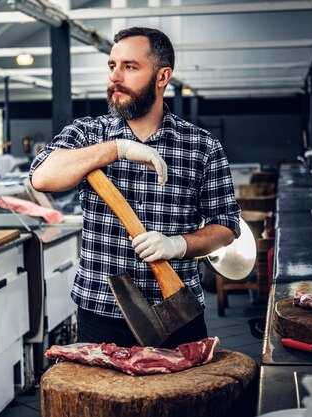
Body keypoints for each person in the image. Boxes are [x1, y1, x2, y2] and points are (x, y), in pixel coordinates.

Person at [30, 27, 240, 348]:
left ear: (162, 76)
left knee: (182, 397)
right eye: (112, 66)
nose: (116, 76)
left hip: (178, 308)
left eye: (130, 67)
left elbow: (226, 226)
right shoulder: (88, 134)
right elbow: (42, 177)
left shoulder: (201, 145)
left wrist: (178, 245)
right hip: (101, 312)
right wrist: (117, 149)